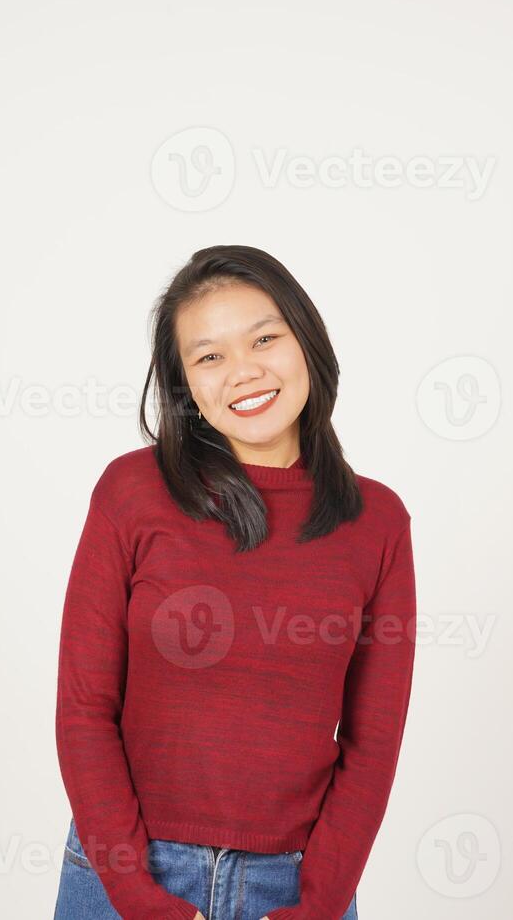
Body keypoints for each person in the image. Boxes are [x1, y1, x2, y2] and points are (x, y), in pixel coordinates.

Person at [53, 245, 417, 920]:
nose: (243, 372)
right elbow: (83, 710)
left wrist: (320, 905)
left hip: (298, 888)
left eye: (265, 339)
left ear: (306, 340)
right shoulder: (130, 494)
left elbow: (373, 741)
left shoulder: (377, 522)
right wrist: (135, 896)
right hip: (126, 877)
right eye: (208, 356)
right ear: (184, 382)